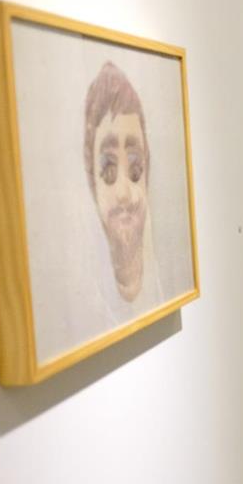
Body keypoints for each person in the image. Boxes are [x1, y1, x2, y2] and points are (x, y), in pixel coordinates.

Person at [83, 61, 160, 308]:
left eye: (135, 169)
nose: (124, 193)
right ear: (93, 183)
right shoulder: (89, 297)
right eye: (109, 171)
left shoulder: (159, 283)